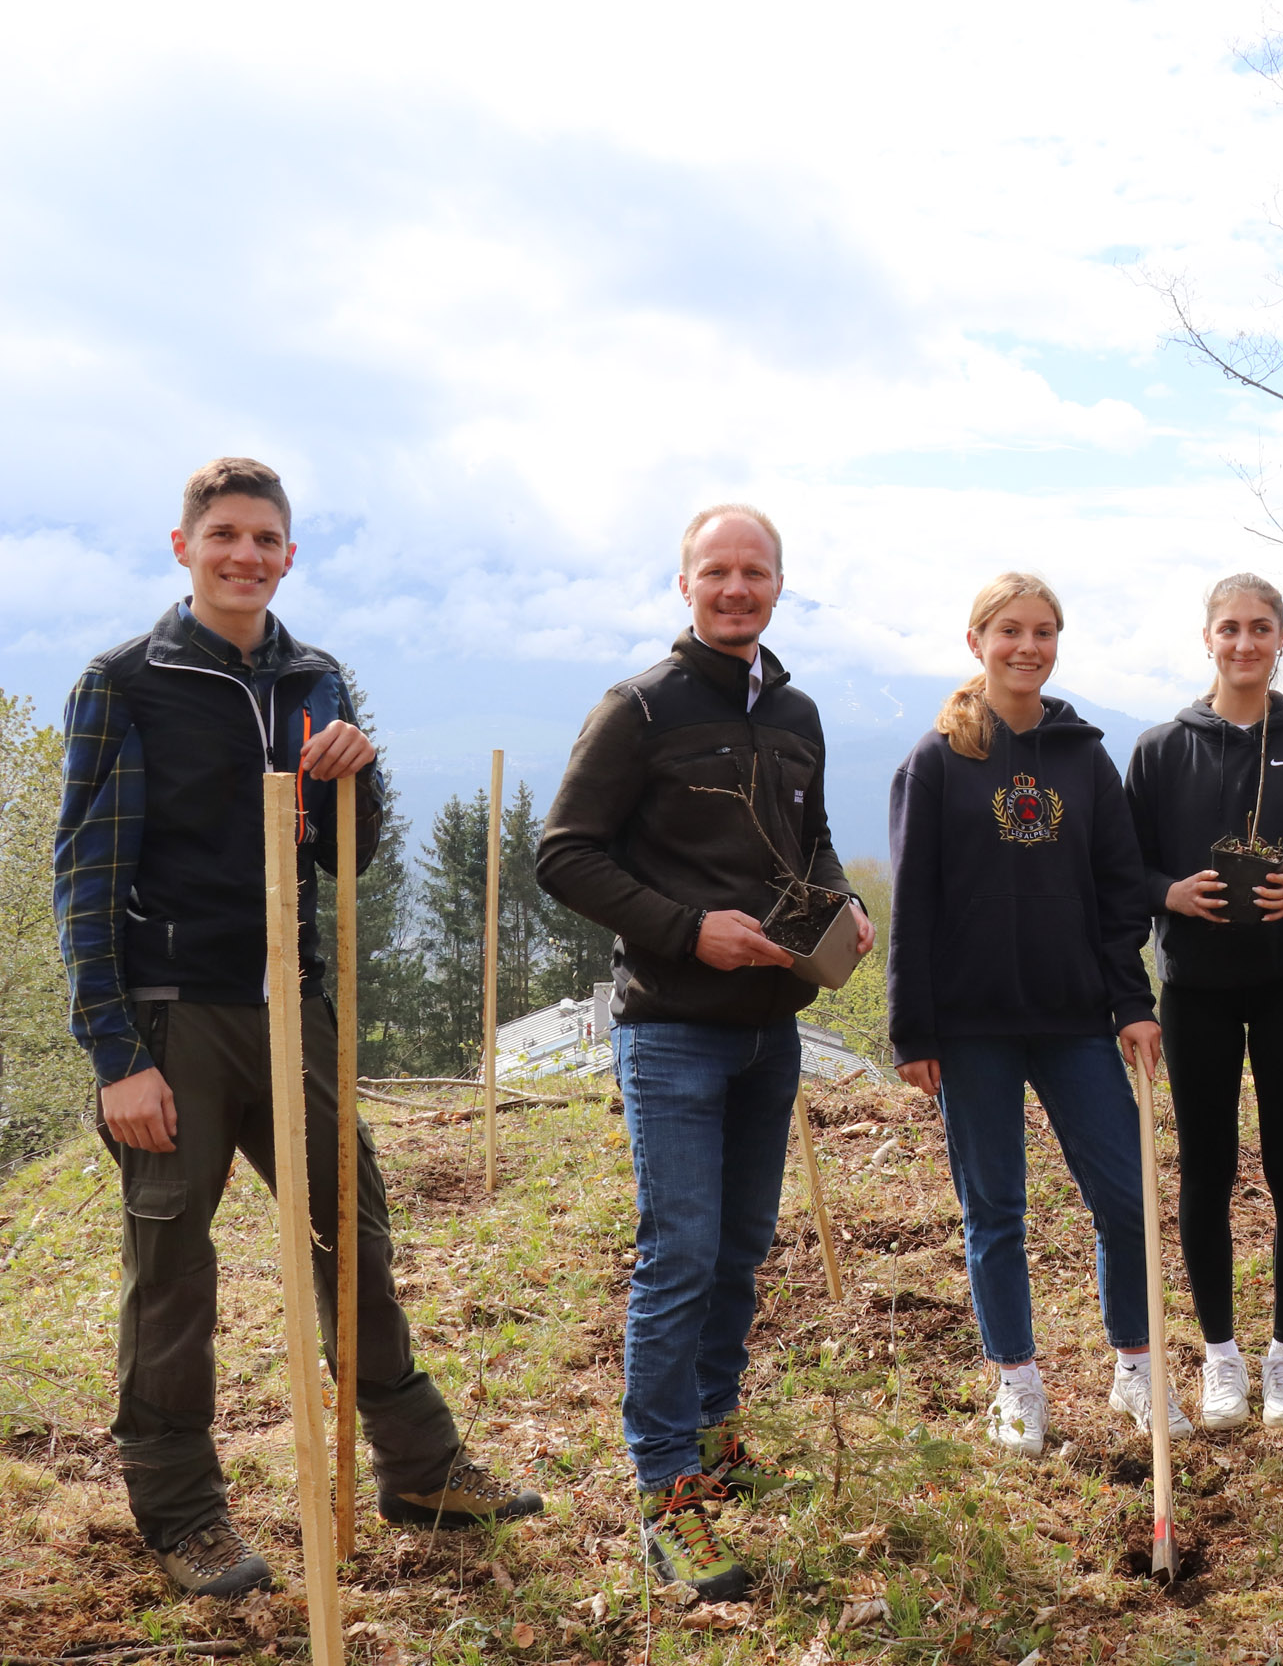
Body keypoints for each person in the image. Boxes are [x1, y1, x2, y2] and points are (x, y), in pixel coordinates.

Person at [58, 458, 540, 1600]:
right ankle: (182, 1512)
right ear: (184, 547)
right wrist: (117, 1055)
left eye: (266, 539)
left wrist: (352, 780)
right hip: (175, 1017)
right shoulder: (127, 680)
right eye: (224, 535)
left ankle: (419, 1465)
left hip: (296, 1006)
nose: (245, 556)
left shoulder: (313, 676)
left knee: (351, 1231)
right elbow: (84, 874)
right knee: (172, 1267)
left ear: (289, 554)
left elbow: (344, 855)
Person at [539, 503, 870, 1601]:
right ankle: (664, 1486)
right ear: (684, 583)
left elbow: (807, 837)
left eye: (755, 572)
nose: (737, 588)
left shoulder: (800, 711)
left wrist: (842, 903)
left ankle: (715, 1431)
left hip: (771, 1030)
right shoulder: (637, 708)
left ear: (780, 584)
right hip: (671, 1029)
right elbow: (565, 853)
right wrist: (688, 929)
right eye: (717, 571)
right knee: (678, 1253)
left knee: (738, 1247)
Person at [886, 573, 1180, 1457]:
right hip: (971, 1025)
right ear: (976, 640)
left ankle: (1136, 1364)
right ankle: (1017, 1383)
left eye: (1044, 631)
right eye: (1010, 630)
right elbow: (914, 902)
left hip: (1076, 1016)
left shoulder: (1084, 758)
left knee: (1126, 1197)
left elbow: (1119, 890)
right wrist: (913, 1029)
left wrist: (1133, 1001)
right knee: (995, 1209)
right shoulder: (936, 761)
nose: (1028, 646)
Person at [1125, 574, 1283, 1429]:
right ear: (1206, 639)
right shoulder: (1161, 749)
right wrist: (1169, 895)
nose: (1244, 644)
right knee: (1207, 1171)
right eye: (1229, 628)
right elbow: (1126, 869)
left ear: (1281, 638)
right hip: (1196, 994)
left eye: (1260, 628)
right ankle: (1221, 1356)